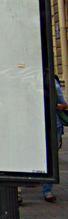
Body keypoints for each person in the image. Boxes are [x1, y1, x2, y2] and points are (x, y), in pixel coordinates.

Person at [42, 75, 66, 203]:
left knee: (50, 157)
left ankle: (47, 188)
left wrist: (62, 105)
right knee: (46, 157)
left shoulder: (53, 78)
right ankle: (46, 190)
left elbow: (63, 102)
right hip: (41, 124)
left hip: (54, 123)